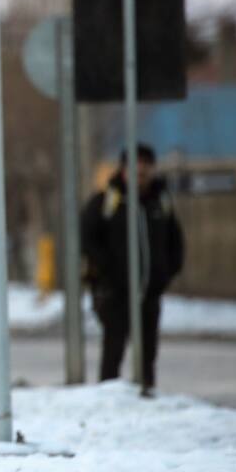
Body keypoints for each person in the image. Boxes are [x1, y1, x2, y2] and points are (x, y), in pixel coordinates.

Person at [81, 143, 184, 397]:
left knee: (148, 351)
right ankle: (108, 396)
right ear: (124, 169)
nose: (141, 173)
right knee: (114, 346)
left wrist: (164, 274)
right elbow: (86, 238)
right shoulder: (107, 202)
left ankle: (146, 393)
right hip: (113, 292)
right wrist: (107, 272)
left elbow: (175, 242)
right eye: (135, 168)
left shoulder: (160, 203)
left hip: (149, 290)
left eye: (145, 168)